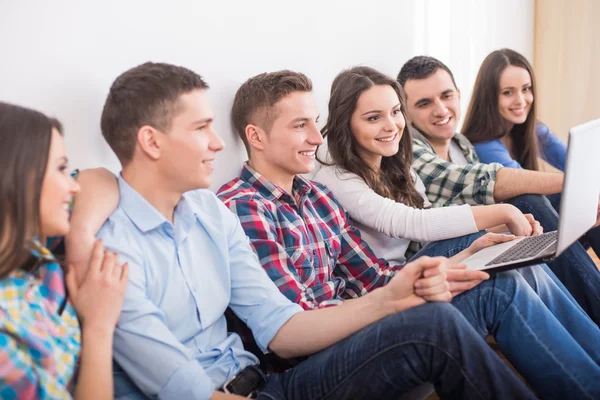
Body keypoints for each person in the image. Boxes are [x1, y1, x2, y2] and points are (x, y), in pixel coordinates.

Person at [69, 62, 535, 400]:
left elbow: (281, 325)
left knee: (492, 282)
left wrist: (400, 292)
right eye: (202, 128)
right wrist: (390, 300)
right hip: (269, 380)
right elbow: (183, 389)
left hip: (270, 383)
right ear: (151, 141)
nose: (216, 143)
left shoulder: (210, 214)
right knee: (437, 324)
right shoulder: (110, 255)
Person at [217, 69, 600, 399]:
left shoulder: (317, 196)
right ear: (256, 136)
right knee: (439, 320)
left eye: (314, 124)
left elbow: (377, 276)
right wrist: (393, 302)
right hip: (313, 360)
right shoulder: (244, 205)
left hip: (361, 326)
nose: (317, 140)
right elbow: (294, 329)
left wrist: (468, 256)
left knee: (503, 281)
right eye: (300, 126)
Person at [398, 55, 600, 324]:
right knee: (528, 199)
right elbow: (483, 181)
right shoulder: (409, 151)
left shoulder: (462, 145)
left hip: (478, 241)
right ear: (406, 112)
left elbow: (483, 218)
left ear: (459, 95)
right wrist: (575, 182)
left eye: (446, 96)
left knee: (566, 202)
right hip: (439, 258)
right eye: (424, 103)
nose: (440, 109)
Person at [0, 102, 128, 399]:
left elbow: (101, 178)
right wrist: (99, 325)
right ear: (16, 178)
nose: (73, 187)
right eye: (60, 168)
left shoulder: (32, 243)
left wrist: (80, 239)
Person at [461, 48, 600, 256]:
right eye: (508, 92)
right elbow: (525, 184)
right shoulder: (483, 144)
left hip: (542, 225)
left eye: (526, 89)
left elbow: (575, 162)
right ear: (489, 97)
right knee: (565, 195)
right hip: (513, 234)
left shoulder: (532, 130)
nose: (521, 100)